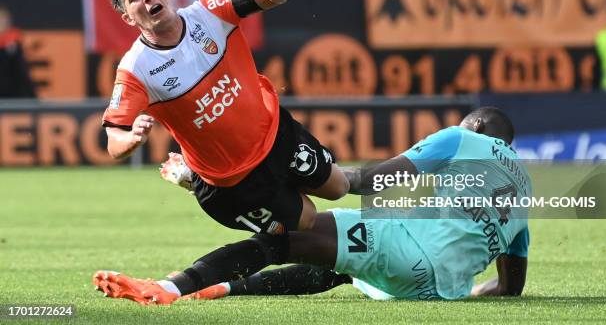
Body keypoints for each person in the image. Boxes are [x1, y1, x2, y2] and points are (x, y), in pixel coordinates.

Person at [94, 107, 532, 304]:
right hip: (436, 291)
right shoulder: (528, 191)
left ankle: (170, 287)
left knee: (286, 237)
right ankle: (223, 288)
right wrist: (466, 287)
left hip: (410, 254)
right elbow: (510, 287)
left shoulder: (461, 138)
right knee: (343, 264)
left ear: (475, 126)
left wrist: (320, 178)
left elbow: (373, 181)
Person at [102, 0, 349, 239]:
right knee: (306, 219)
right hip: (231, 181)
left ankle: (387, 198)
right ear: (129, 18)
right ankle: (195, 177)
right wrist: (132, 139)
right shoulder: (136, 69)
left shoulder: (210, 11)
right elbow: (113, 139)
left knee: (337, 187)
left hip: (274, 133)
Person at [0, 5, 36, 98]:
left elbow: (22, 71)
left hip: (13, 94)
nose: (2, 23)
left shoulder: (14, 44)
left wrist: (33, 96)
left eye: (4, 20)